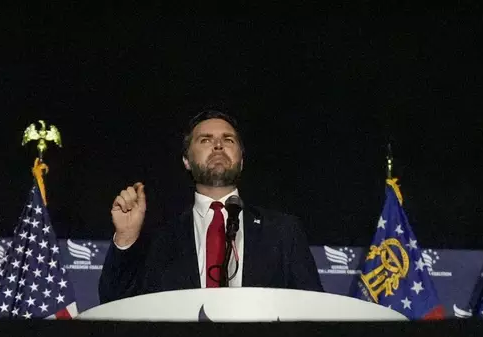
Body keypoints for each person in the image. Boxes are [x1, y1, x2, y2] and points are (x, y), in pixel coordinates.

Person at [99, 110, 323, 303]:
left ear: (242, 161)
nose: (218, 145)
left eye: (228, 140)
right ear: (186, 160)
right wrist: (126, 239)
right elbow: (115, 303)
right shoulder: (161, 237)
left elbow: (314, 311)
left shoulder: (282, 231)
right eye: (205, 140)